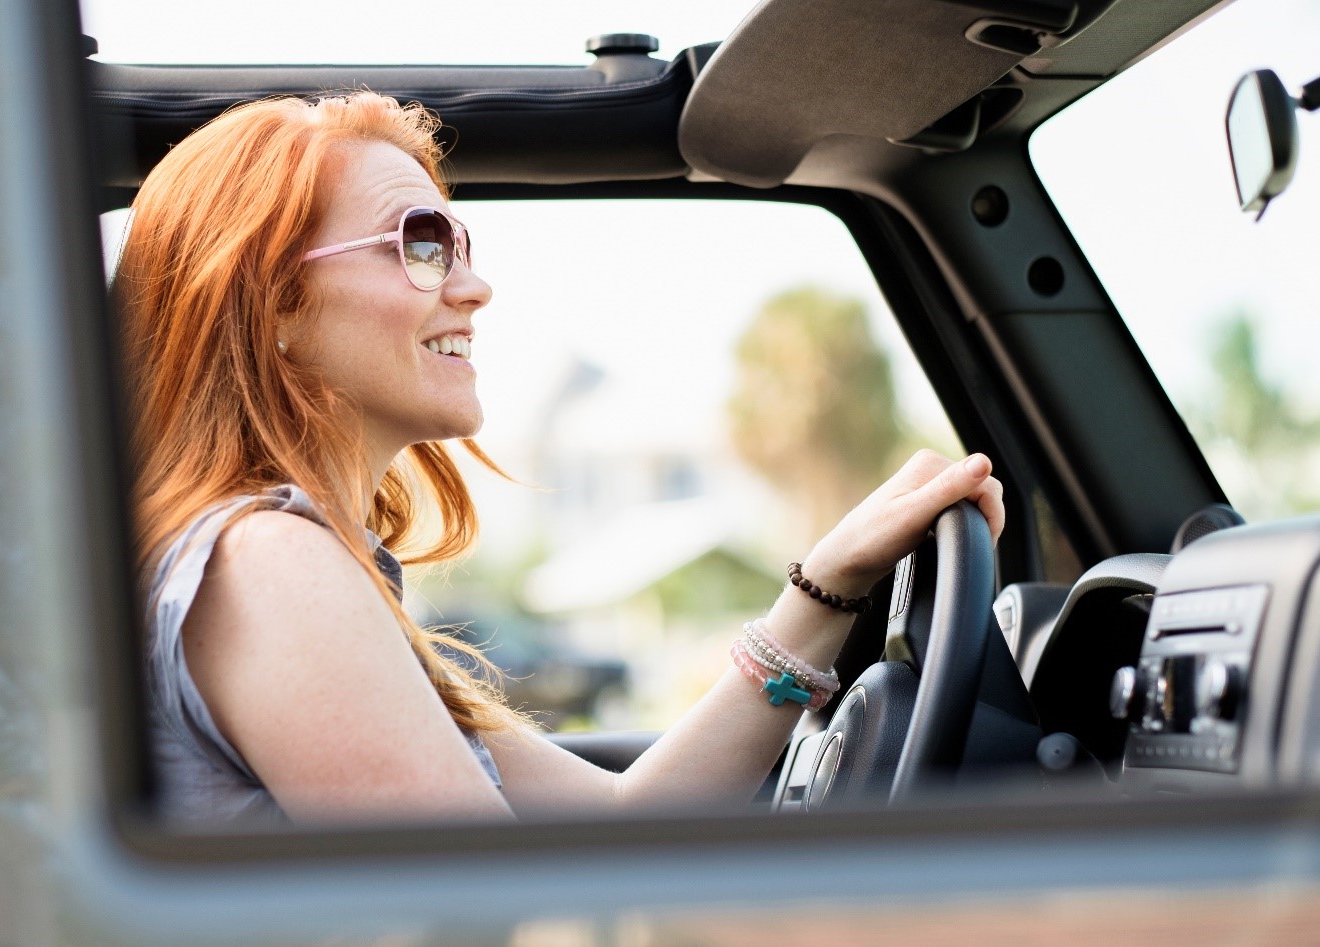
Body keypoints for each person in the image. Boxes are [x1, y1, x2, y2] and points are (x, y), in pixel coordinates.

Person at [114, 91, 1004, 825]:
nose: (475, 285)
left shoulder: (273, 562)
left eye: (461, 245)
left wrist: (827, 584)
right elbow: (496, 916)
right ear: (270, 304)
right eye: (420, 243)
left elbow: (625, 821)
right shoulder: (265, 561)